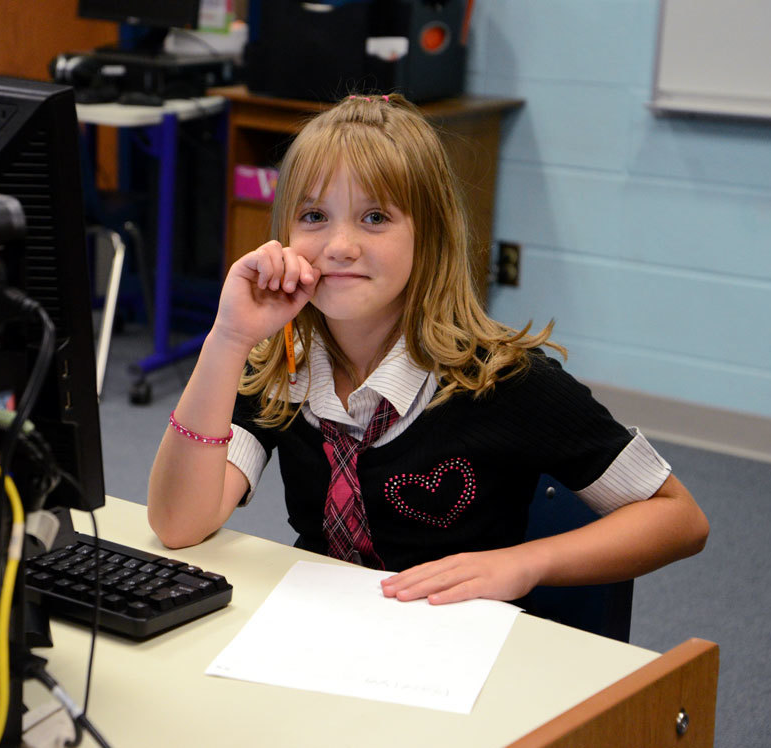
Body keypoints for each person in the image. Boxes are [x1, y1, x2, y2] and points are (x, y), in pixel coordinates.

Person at [147, 93, 708, 606]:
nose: (339, 247)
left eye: (375, 218)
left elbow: (678, 518)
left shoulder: (502, 381)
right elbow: (178, 525)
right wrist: (228, 338)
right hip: (323, 634)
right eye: (314, 216)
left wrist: (527, 562)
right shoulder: (280, 365)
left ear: (430, 236)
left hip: (457, 651)